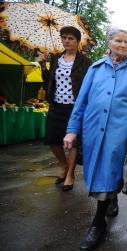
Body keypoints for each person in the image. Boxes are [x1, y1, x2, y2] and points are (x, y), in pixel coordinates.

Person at [63, 27, 127, 250]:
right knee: (99, 170)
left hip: (120, 131)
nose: (122, 45)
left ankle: (97, 223)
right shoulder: (95, 68)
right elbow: (81, 100)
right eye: (118, 41)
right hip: (92, 128)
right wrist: (72, 129)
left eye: (126, 42)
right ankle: (111, 198)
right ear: (109, 42)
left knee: (109, 169)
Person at [38, 26, 92, 192]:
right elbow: (48, 81)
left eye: (70, 38)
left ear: (77, 41)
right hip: (56, 104)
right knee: (53, 140)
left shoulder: (85, 62)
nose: (66, 41)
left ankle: (70, 174)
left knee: (73, 143)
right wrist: (43, 66)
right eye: (64, 37)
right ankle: (63, 165)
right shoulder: (55, 59)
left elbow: (88, 84)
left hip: (75, 107)